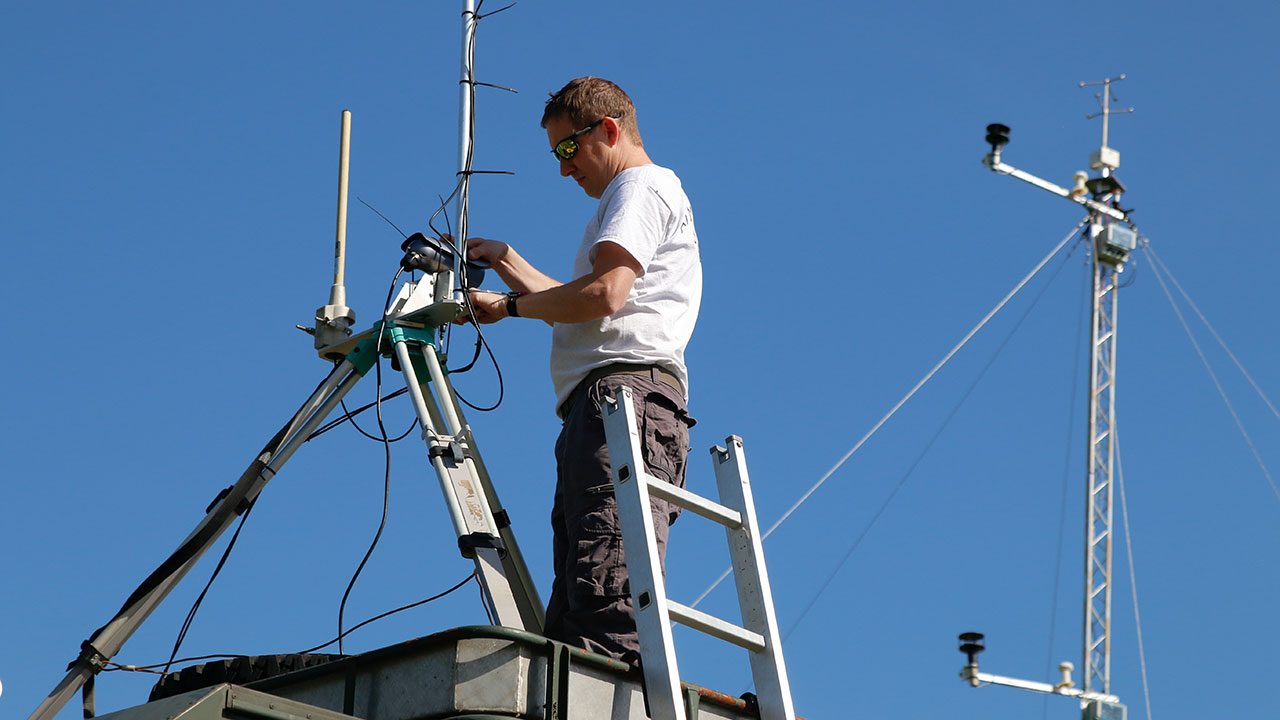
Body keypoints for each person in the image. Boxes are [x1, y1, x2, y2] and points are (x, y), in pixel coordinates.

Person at [460, 76, 701, 659]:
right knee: (577, 602)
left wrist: (510, 307)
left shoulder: (639, 187)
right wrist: (506, 259)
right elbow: (579, 310)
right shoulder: (634, 197)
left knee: (603, 603)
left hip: (622, 403)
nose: (565, 169)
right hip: (607, 406)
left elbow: (603, 296)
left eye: (569, 149)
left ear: (609, 130)